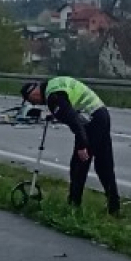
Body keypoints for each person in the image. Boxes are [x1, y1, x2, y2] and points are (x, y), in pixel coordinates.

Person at [23, 77, 121, 216]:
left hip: (91, 121)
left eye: (33, 101)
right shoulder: (53, 85)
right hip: (101, 114)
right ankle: (114, 207)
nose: (36, 104)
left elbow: (74, 120)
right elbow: (67, 108)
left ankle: (73, 206)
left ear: (34, 94)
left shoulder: (53, 97)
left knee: (78, 165)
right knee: (104, 165)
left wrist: (82, 145)